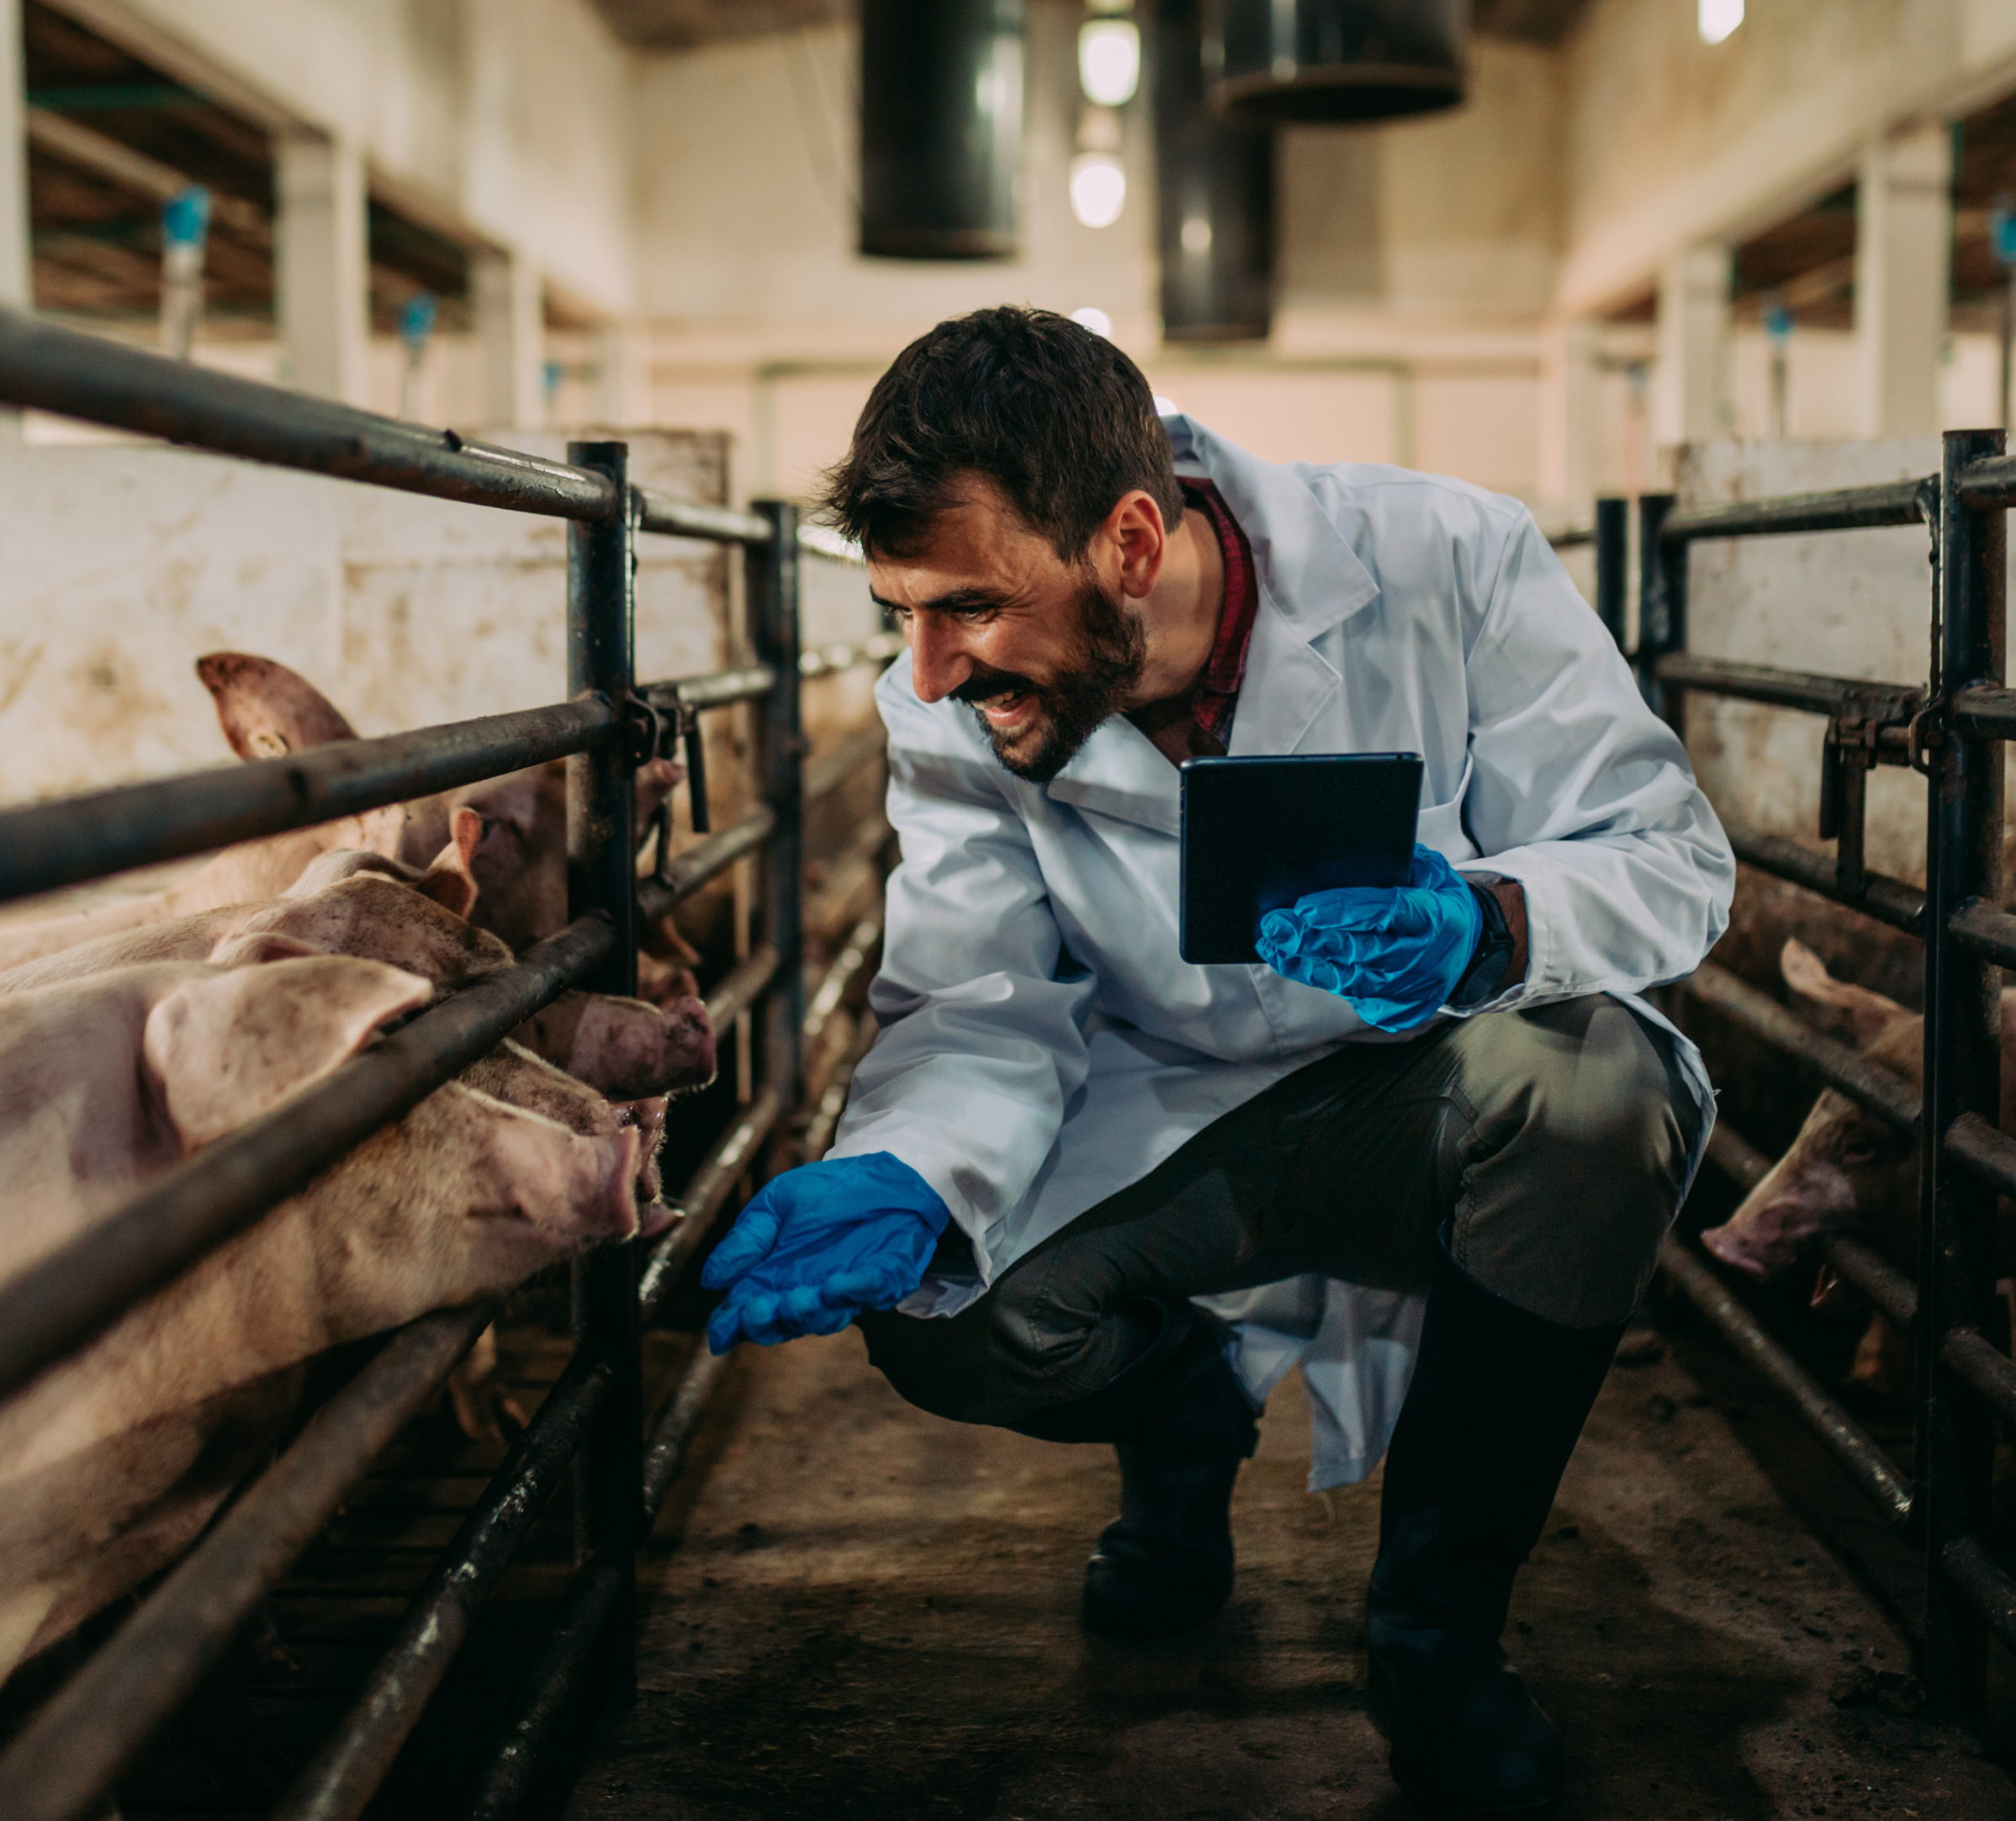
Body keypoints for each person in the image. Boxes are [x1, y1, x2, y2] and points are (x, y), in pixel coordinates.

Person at [702, 306, 1730, 1819]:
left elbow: (1668, 856)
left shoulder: (1446, 556)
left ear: (1131, 539)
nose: (923, 671)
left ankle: (1436, 1638)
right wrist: (908, 1168)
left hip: (1429, 1078)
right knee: (949, 1321)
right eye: (901, 610)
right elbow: (983, 993)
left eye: (970, 605)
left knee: (1602, 1095)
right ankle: (1185, 1439)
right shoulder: (945, 706)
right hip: (1152, 1090)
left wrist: (1489, 921)